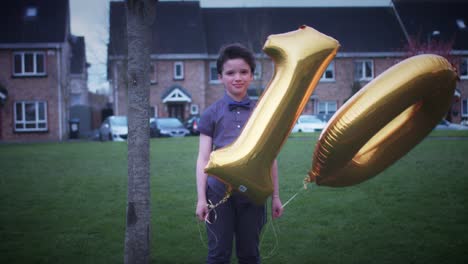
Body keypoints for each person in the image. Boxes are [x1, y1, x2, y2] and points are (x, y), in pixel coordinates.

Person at [195, 43, 284, 264]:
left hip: (252, 194)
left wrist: (276, 196)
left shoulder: (262, 113)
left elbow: (270, 157)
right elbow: (204, 159)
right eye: (230, 72)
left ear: (252, 75)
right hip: (217, 193)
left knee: (250, 254)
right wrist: (201, 198)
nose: (238, 77)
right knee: (218, 255)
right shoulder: (211, 113)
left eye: (244, 72)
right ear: (220, 77)